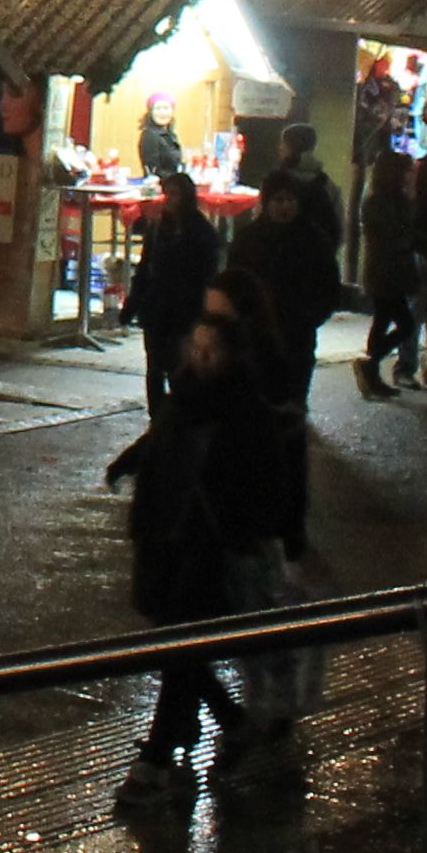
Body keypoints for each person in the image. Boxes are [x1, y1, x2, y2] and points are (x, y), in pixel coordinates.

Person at [115, 317, 273, 813]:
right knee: (175, 642)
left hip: (205, 542)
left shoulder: (246, 409)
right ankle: (228, 720)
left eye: (213, 350)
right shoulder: (182, 394)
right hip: (162, 533)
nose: (201, 358)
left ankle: (158, 757)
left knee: (178, 641)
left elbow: (259, 481)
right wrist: (128, 463)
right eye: (196, 347)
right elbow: (162, 438)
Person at [232, 176, 334, 551]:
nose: (283, 207)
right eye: (277, 199)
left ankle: (292, 524)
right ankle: (255, 514)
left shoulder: (313, 241)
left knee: (290, 432)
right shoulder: (249, 240)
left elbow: (328, 289)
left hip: (295, 346)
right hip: (253, 347)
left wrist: (307, 318)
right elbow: (234, 286)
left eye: (289, 199)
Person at [105, 171, 218, 485]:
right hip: (157, 310)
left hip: (184, 312)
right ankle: (158, 426)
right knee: (155, 368)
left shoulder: (202, 234)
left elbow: (206, 277)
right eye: (167, 194)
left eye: (175, 195)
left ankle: (174, 429)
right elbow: (145, 271)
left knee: (178, 371)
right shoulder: (159, 230)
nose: (169, 201)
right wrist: (132, 307)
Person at [356, 154, 422, 398]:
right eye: (406, 171)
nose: (410, 175)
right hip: (386, 271)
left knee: (383, 320)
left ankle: (371, 373)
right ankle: (370, 362)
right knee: (405, 323)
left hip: (388, 271)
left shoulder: (390, 199)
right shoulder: (382, 202)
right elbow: (398, 233)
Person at [272, 124, 342, 270]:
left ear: (289, 148)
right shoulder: (327, 185)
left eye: (283, 144)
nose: (279, 148)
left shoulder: (275, 183)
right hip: (318, 266)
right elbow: (339, 229)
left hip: (280, 263)